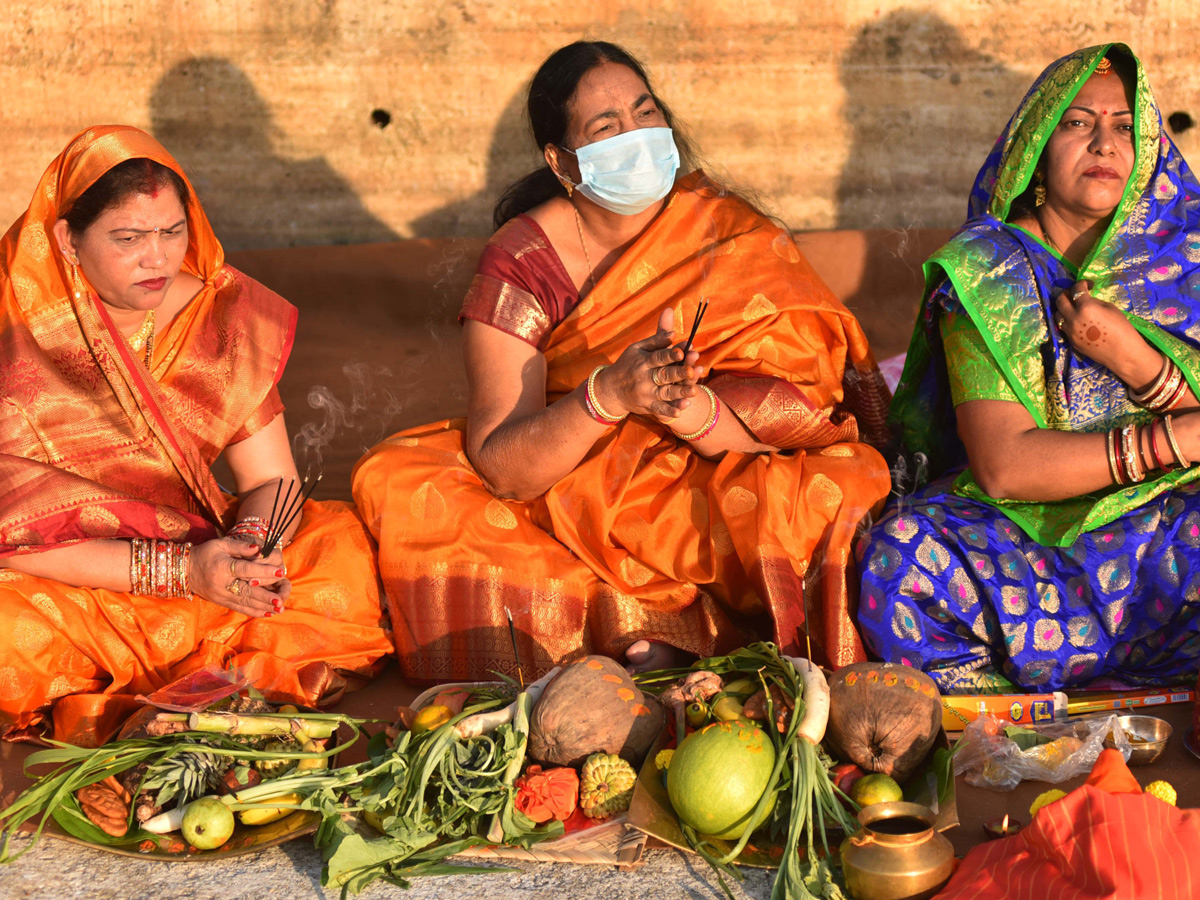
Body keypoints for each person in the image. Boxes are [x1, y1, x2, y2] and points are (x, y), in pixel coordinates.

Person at [353, 41, 891, 681]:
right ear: (561, 161)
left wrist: (690, 406)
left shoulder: (730, 230)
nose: (636, 137)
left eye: (645, 112)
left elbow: (783, 432)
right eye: (606, 128)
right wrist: (608, 394)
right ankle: (677, 635)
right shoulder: (526, 261)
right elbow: (503, 467)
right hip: (575, 472)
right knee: (404, 486)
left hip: (717, 466)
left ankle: (662, 635)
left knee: (839, 494)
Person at [0, 126, 393, 744]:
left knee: (338, 554)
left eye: (172, 232)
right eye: (128, 238)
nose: (157, 258)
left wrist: (249, 552)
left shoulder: (218, 317)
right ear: (66, 240)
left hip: (206, 553)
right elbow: (12, 534)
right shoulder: (15, 332)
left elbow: (271, 477)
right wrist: (182, 572)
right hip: (72, 578)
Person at [858, 44, 1200, 692]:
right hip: (1030, 542)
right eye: (1077, 122)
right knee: (899, 557)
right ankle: (1005, 721)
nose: (1104, 142)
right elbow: (1004, 467)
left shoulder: (1182, 257)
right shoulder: (987, 271)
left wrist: (1129, 354)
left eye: (1125, 126)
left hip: (1165, 533)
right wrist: (1173, 439)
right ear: (1039, 147)